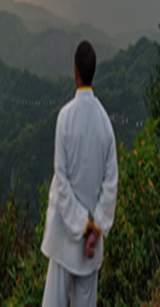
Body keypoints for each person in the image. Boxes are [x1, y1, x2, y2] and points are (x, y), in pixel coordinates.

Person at [41, 40, 119, 307]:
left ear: (75, 71)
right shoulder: (105, 124)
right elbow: (111, 183)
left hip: (65, 237)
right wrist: (95, 228)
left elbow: (61, 180)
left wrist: (81, 224)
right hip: (91, 246)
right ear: (92, 72)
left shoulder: (65, 117)